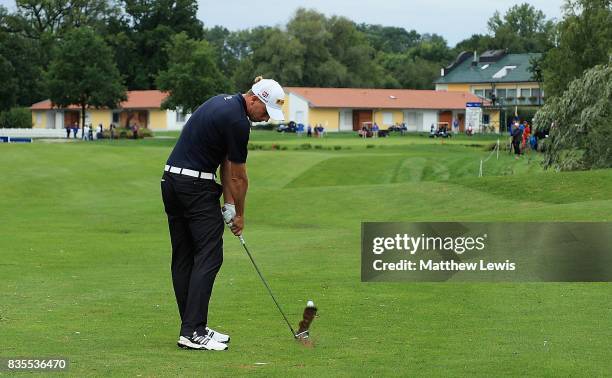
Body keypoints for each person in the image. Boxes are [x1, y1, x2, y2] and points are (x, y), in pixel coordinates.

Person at [161, 76, 285, 351]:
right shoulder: (238, 122)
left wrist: (228, 205)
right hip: (195, 186)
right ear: (253, 99)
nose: (266, 118)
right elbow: (239, 177)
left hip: (171, 181)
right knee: (210, 254)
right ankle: (192, 331)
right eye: (265, 111)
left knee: (184, 256)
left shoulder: (222, 103)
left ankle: (194, 328)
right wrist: (240, 214)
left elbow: (225, 162)